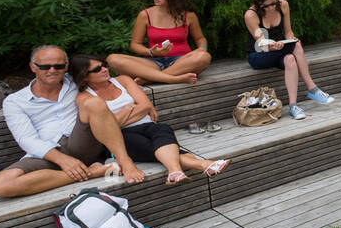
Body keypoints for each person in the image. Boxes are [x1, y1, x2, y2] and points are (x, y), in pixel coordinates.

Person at [0, 45, 146, 198]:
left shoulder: (77, 82)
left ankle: (125, 162)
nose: (52, 70)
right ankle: (94, 172)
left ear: (66, 66)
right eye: (45, 66)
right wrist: (63, 160)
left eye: (58, 66)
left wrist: (143, 100)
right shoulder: (15, 101)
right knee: (0, 185)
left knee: (94, 103)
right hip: (48, 152)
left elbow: (110, 77)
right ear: (33, 67)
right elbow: (26, 139)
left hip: (85, 143)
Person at [70, 55, 229, 183]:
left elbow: (145, 105)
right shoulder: (85, 97)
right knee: (151, 146)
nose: (105, 69)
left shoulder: (123, 80)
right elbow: (109, 128)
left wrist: (119, 118)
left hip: (148, 125)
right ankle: (201, 164)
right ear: (84, 77)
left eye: (104, 65)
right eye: (98, 69)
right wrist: (129, 108)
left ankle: (175, 172)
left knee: (163, 129)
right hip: (121, 136)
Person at [243, 0, 336, 120]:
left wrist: (290, 39)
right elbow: (261, 42)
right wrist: (272, 46)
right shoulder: (251, 15)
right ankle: (312, 88)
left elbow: (288, 32)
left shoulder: (283, 5)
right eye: (266, 6)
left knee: (291, 57)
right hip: (258, 55)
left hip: (279, 50)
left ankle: (293, 106)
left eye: (273, 3)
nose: (271, 8)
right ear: (258, 4)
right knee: (296, 46)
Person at [106, 0, 212, 86]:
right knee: (112, 59)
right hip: (153, 62)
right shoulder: (144, 15)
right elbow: (135, 44)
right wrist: (151, 52)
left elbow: (200, 38)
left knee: (204, 57)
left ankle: (151, 79)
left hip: (181, 61)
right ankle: (169, 77)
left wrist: (201, 49)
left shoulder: (188, 15)